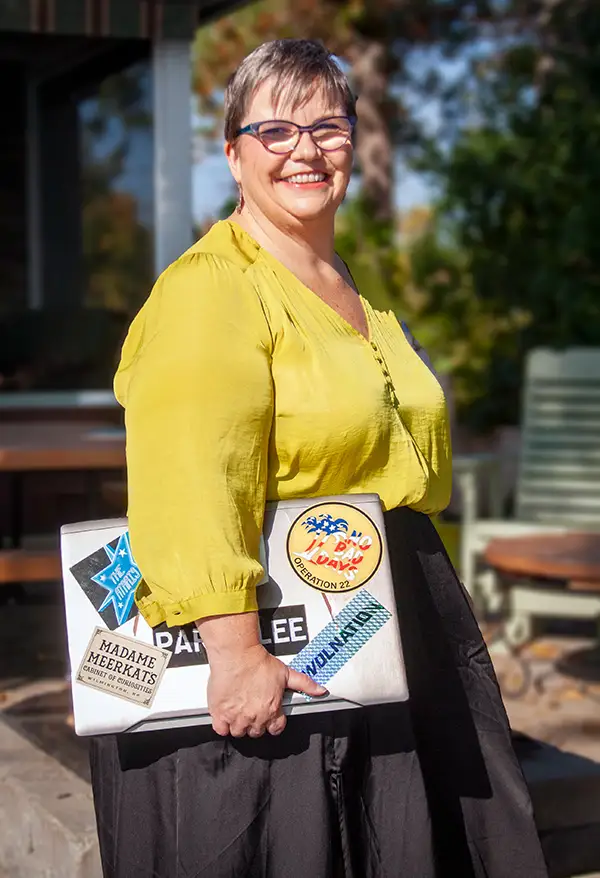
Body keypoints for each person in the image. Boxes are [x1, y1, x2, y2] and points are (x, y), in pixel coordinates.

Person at [90, 38, 548, 878]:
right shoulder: (210, 290)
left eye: (328, 128)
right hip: (277, 631)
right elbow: (192, 474)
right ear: (233, 155)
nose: (305, 149)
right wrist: (233, 654)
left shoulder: (343, 281)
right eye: (275, 130)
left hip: (390, 604)